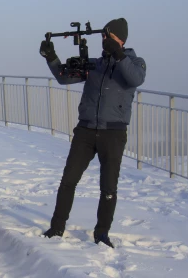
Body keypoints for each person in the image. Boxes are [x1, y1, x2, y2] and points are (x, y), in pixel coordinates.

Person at [40, 18, 146, 248]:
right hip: (85, 131)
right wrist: (51, 57)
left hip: (113, 134)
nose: (104, 41)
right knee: (68, 180)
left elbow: (135, 79)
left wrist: (118, 54)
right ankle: (57, 227)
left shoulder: (135, 62)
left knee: (108, 188)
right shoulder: (96, 64)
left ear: (120, 39)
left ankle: (101, 234)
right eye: (103, 37)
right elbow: (64, 77)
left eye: (109, 38)